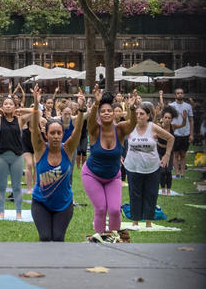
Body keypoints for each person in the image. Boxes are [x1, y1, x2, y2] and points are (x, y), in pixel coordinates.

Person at [28, 85, 83, 242]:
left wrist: (81, 109)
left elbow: (77, 132)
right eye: (52, 133)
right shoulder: (40, 149)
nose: (56, 136)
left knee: (58, 238)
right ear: (46, 134)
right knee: (45, 237)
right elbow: (34, 130)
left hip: (64, 204)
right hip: (41, 203)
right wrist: (36, 105)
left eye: (59, 133)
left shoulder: (68, 149)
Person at [82, 89, 138, 242]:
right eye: (103, 111)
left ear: (114, 114)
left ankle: (114, 240)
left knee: (114, 210)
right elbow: (91, 120)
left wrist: (132, 108)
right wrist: (96, 103)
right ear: (99, 114)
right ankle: (100, 240)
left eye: (109, 111)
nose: (106, 113)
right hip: (91, 175)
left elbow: (133, 124)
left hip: (113, 176)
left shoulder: (119, 130)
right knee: (101, 208)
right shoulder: (94, 131)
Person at [0, 84, 34, 220]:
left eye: (11, 104)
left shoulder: (20, 120)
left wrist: (20, 109)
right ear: (2, 106)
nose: (8, 106)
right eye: (6, 104)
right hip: (1, 157)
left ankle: (19, 212)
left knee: (16, 187)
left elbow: (34, 111)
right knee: (2, 186)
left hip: (16, 157)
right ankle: (1, 211)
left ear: (15, 107)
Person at [122, 98, 174, 229]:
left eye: (142, 114)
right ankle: (135, 222)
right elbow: (117, 137)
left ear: (148, 116)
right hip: (133, 166)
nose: (138, 116)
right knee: (135, 194)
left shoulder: (153, 127)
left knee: (151, 194)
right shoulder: (130, 126)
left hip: (152, 167)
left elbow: (170, 138)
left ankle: (149, 222)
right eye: (137, 114)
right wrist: (118, 154)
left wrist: (167, 155)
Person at [169, 88, 193, 178]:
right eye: (178, 93)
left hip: (185, 133)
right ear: (175, 95)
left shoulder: (188, 106)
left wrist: (191, 134)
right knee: (175, 154)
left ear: (183, 95)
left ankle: (183, 173)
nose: (180, 95)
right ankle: (177, 173)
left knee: (183, 154)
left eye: (181, 93)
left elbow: (191, 120)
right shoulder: (171, 106)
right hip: (175, 133)